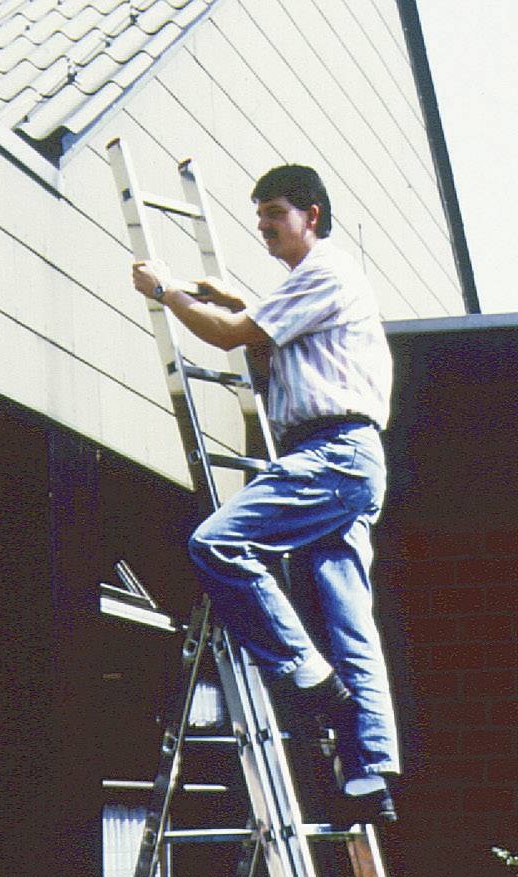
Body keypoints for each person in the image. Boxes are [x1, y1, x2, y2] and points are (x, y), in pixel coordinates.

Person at [131, 164, 399, 823]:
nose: (264, 226)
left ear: (311, 213)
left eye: (274, 213)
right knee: (346, 612)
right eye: (258, 216)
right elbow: (255, 335)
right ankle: (371, 771)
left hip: (331, 453)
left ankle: (308, 674)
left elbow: (229, 337)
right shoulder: (318, 283)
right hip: (349, 456)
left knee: (217, 543)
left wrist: (166, 290)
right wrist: (234, 304)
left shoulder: (326, 272)